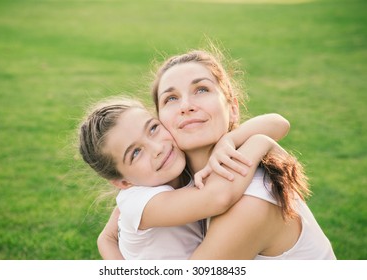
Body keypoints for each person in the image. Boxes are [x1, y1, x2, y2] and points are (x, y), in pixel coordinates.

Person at [99, 48, 336, 259]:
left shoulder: (250, 202)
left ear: (232, 110)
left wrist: (256, 141)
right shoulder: (173, 179)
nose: (186, 106)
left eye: (201, 89)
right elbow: (108, 236)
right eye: (171, 98)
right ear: (160, 120)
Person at [79, 97, 291, 259]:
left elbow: (280, 123)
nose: (157, 149)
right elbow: (218, 197)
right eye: (135, 153)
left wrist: (230, 139)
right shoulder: (140, 201)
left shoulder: (177, 170)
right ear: (123, 183)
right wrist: (260, 143)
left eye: (153, 128)